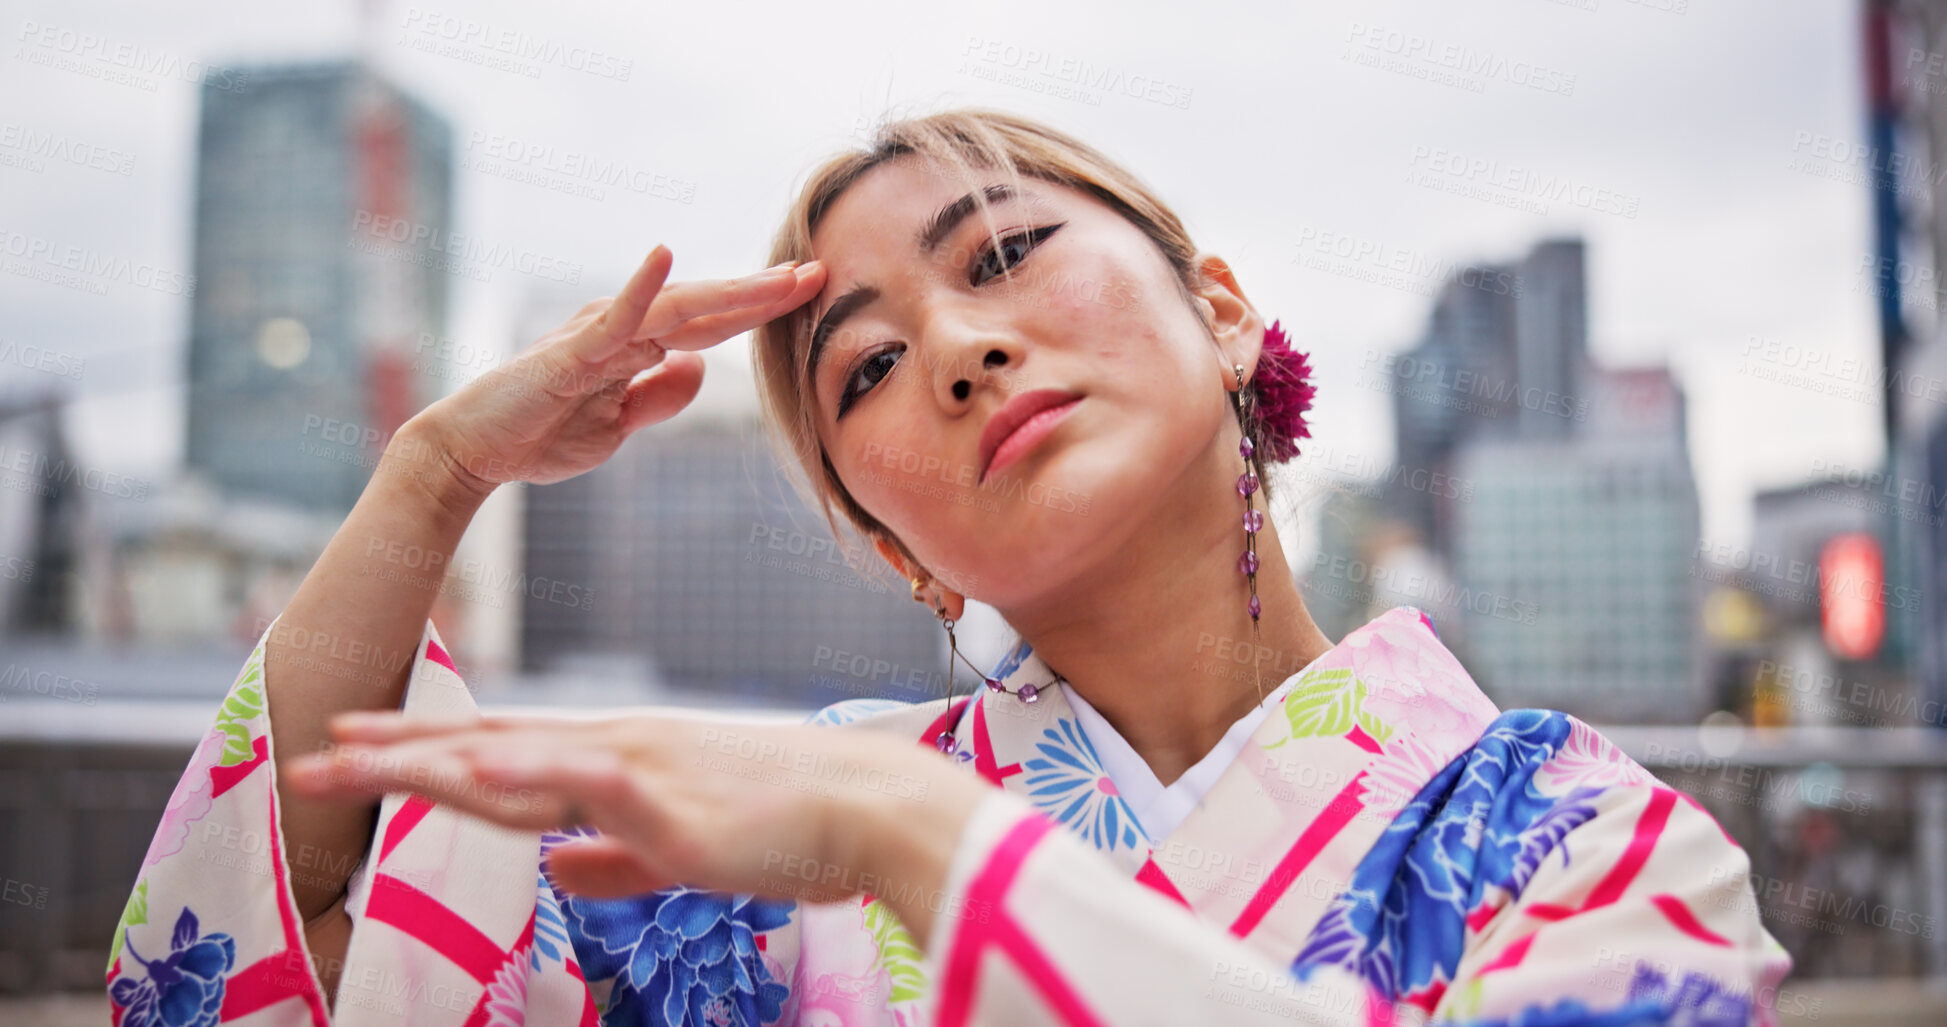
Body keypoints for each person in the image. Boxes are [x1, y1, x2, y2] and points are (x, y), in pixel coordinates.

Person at [107, 108, 1791, 1027]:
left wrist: (915, 843)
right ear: (897, 548)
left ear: (1217, 308)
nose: (962, 349)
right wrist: (434, 473)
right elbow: (289, 970)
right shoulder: (743, 878)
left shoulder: (1571, 841)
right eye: (864, 370)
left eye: (1004, 257)